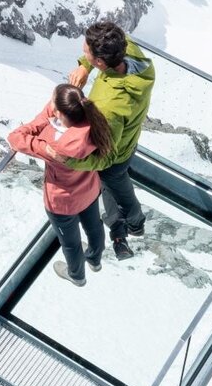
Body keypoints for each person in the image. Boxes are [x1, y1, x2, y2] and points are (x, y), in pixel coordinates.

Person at [49, 21, 156, 260]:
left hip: (115, 156)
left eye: (86, 52)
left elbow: (104, 156)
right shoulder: (131, 54)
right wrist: (86, 66)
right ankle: (119, 229)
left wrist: (69, 160)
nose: (83, 53)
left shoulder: (110, 107)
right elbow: (116, 39)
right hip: (128, 139)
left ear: (101, 63)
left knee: (117, 185)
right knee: (111, 185)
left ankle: (135, 223)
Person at [8, 84, 114, 287]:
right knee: (94, 227)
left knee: (71, 243)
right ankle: (94, 259)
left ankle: (77, 275)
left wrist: (42, 134)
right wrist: (57, 107)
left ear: (59, 112)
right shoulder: (91, 123)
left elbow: (15, 138)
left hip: (62, 202)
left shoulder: (55, 144)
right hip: (89, 189)